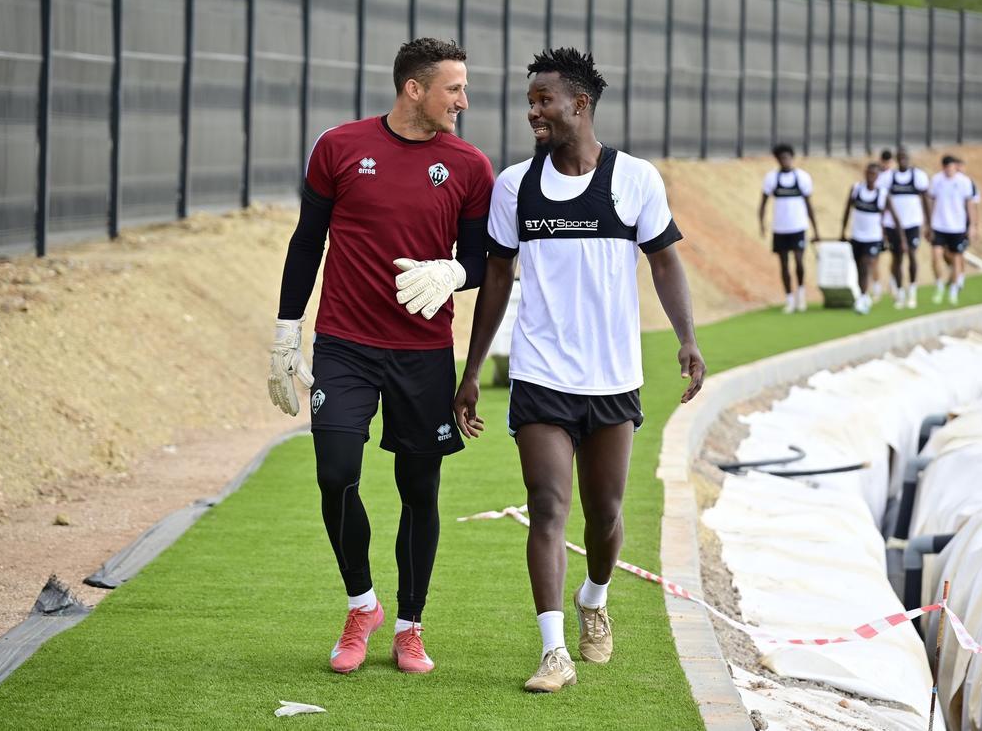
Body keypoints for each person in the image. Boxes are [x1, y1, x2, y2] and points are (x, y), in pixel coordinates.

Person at [453, 47, 705, 694]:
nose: (533, 111)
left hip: (613, 379)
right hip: (541, 376)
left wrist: (687, 340)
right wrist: (472, 368)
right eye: (530, 100)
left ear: (580, 104)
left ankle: (595, 599)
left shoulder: (636, 180)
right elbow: (500, 278)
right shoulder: (516, 186)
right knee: (547, 507)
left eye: (545, 100)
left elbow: (666, 262)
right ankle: (553, 651)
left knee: (606, 512)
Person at [267, 38, 494, 676]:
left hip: (423, 353)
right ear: (414, 89)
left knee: (419, 488)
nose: (464, 100)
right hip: (344, 345)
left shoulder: (472, 166)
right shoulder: (338, 147)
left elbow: (482, 261)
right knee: (335, 472)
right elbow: (307, 241)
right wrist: (287, 331)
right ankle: (361, 604)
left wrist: (453, 271)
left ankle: (409, 626)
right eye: (454, 88)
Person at [759, 143, 821, 313]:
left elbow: (809, 205)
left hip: (798, 227)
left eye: (787, 157)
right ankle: (789, 299)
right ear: (777, 159)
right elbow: (763, 203)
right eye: (781, 158)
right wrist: (762, 223)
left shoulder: (802, 178)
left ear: (792, 158)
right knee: (784, 265)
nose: (785, 161)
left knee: (799, 262)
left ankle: (801, 296)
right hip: (780, 228)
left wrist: (815, 230)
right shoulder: (771, 178)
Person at [841, 162, 901, 314]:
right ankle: (863, 294)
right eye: (869, 173)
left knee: (866, 264)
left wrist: (901, 239)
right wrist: (842, 231)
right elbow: (847, 211)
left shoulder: (882, 194)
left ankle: (863, 297)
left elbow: (895, 217)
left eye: (874, 174)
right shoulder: (856, 190)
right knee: (858, 267)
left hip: (873, 237)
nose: (871, 177)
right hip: (856, 236)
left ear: (878, 176)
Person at [876, 147, 929, 309]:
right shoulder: (888, 178)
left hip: (912, 223)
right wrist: (882, 225)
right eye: (900, 158)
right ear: (896, 160)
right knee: (897, 258)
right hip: (892, 224)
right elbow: (882, 202)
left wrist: (929, 224)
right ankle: (899, 293)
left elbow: (926, 200)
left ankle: (912, 291)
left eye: (905, 157)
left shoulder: (918, 176)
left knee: (912, 255)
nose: (903, 160)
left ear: (909, 158)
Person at [927, 155, 979, 306]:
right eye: (946, 168)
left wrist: (973, 225)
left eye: (951, 167)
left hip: (957, 226)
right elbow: (931, 201)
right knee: (936, 255)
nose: (949, 171)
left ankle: (954, 290)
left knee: (957, 258)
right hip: (939, 225)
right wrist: (928, 223)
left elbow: (970, 204)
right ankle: (939, 284)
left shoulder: (964, 182)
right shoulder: (937, 180)